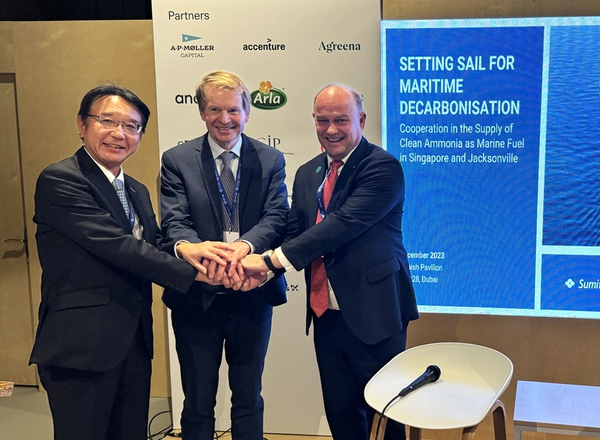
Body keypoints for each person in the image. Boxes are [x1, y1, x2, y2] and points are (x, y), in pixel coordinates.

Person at [29, 84, 226, 440]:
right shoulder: (61, 179)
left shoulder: (136, 188)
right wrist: (199, 274)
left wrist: (188, 250)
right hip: (81, 348)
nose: (119, 134)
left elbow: (152, 244)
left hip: (133, 343)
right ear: (82, 125)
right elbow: (118, 247)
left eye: (132, 126)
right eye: (108, 121)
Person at [242, 84, 419, 440]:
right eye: (322, 120)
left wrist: (271, 262)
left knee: (385, 416)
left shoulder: (381, 167)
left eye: (341, 119)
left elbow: (342, 225)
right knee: (340, 411)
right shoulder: (308, 172)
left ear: (361, 120)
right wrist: (252, 262)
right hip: (326, 314)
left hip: (375, 312)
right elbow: (296, 230)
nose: (331, 129)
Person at [160, 70, 288, 440]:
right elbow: (174, 222)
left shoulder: (271, 159)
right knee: (198, 402)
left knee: (248, 398)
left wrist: (243, 248)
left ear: (247, 112)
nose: (224, 119)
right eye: (214, 109)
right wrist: (207, 255)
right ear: (202, 112)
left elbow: (276, 217)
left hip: (252, 295)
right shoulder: (177, 160)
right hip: (197, 299)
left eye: (233, 110)